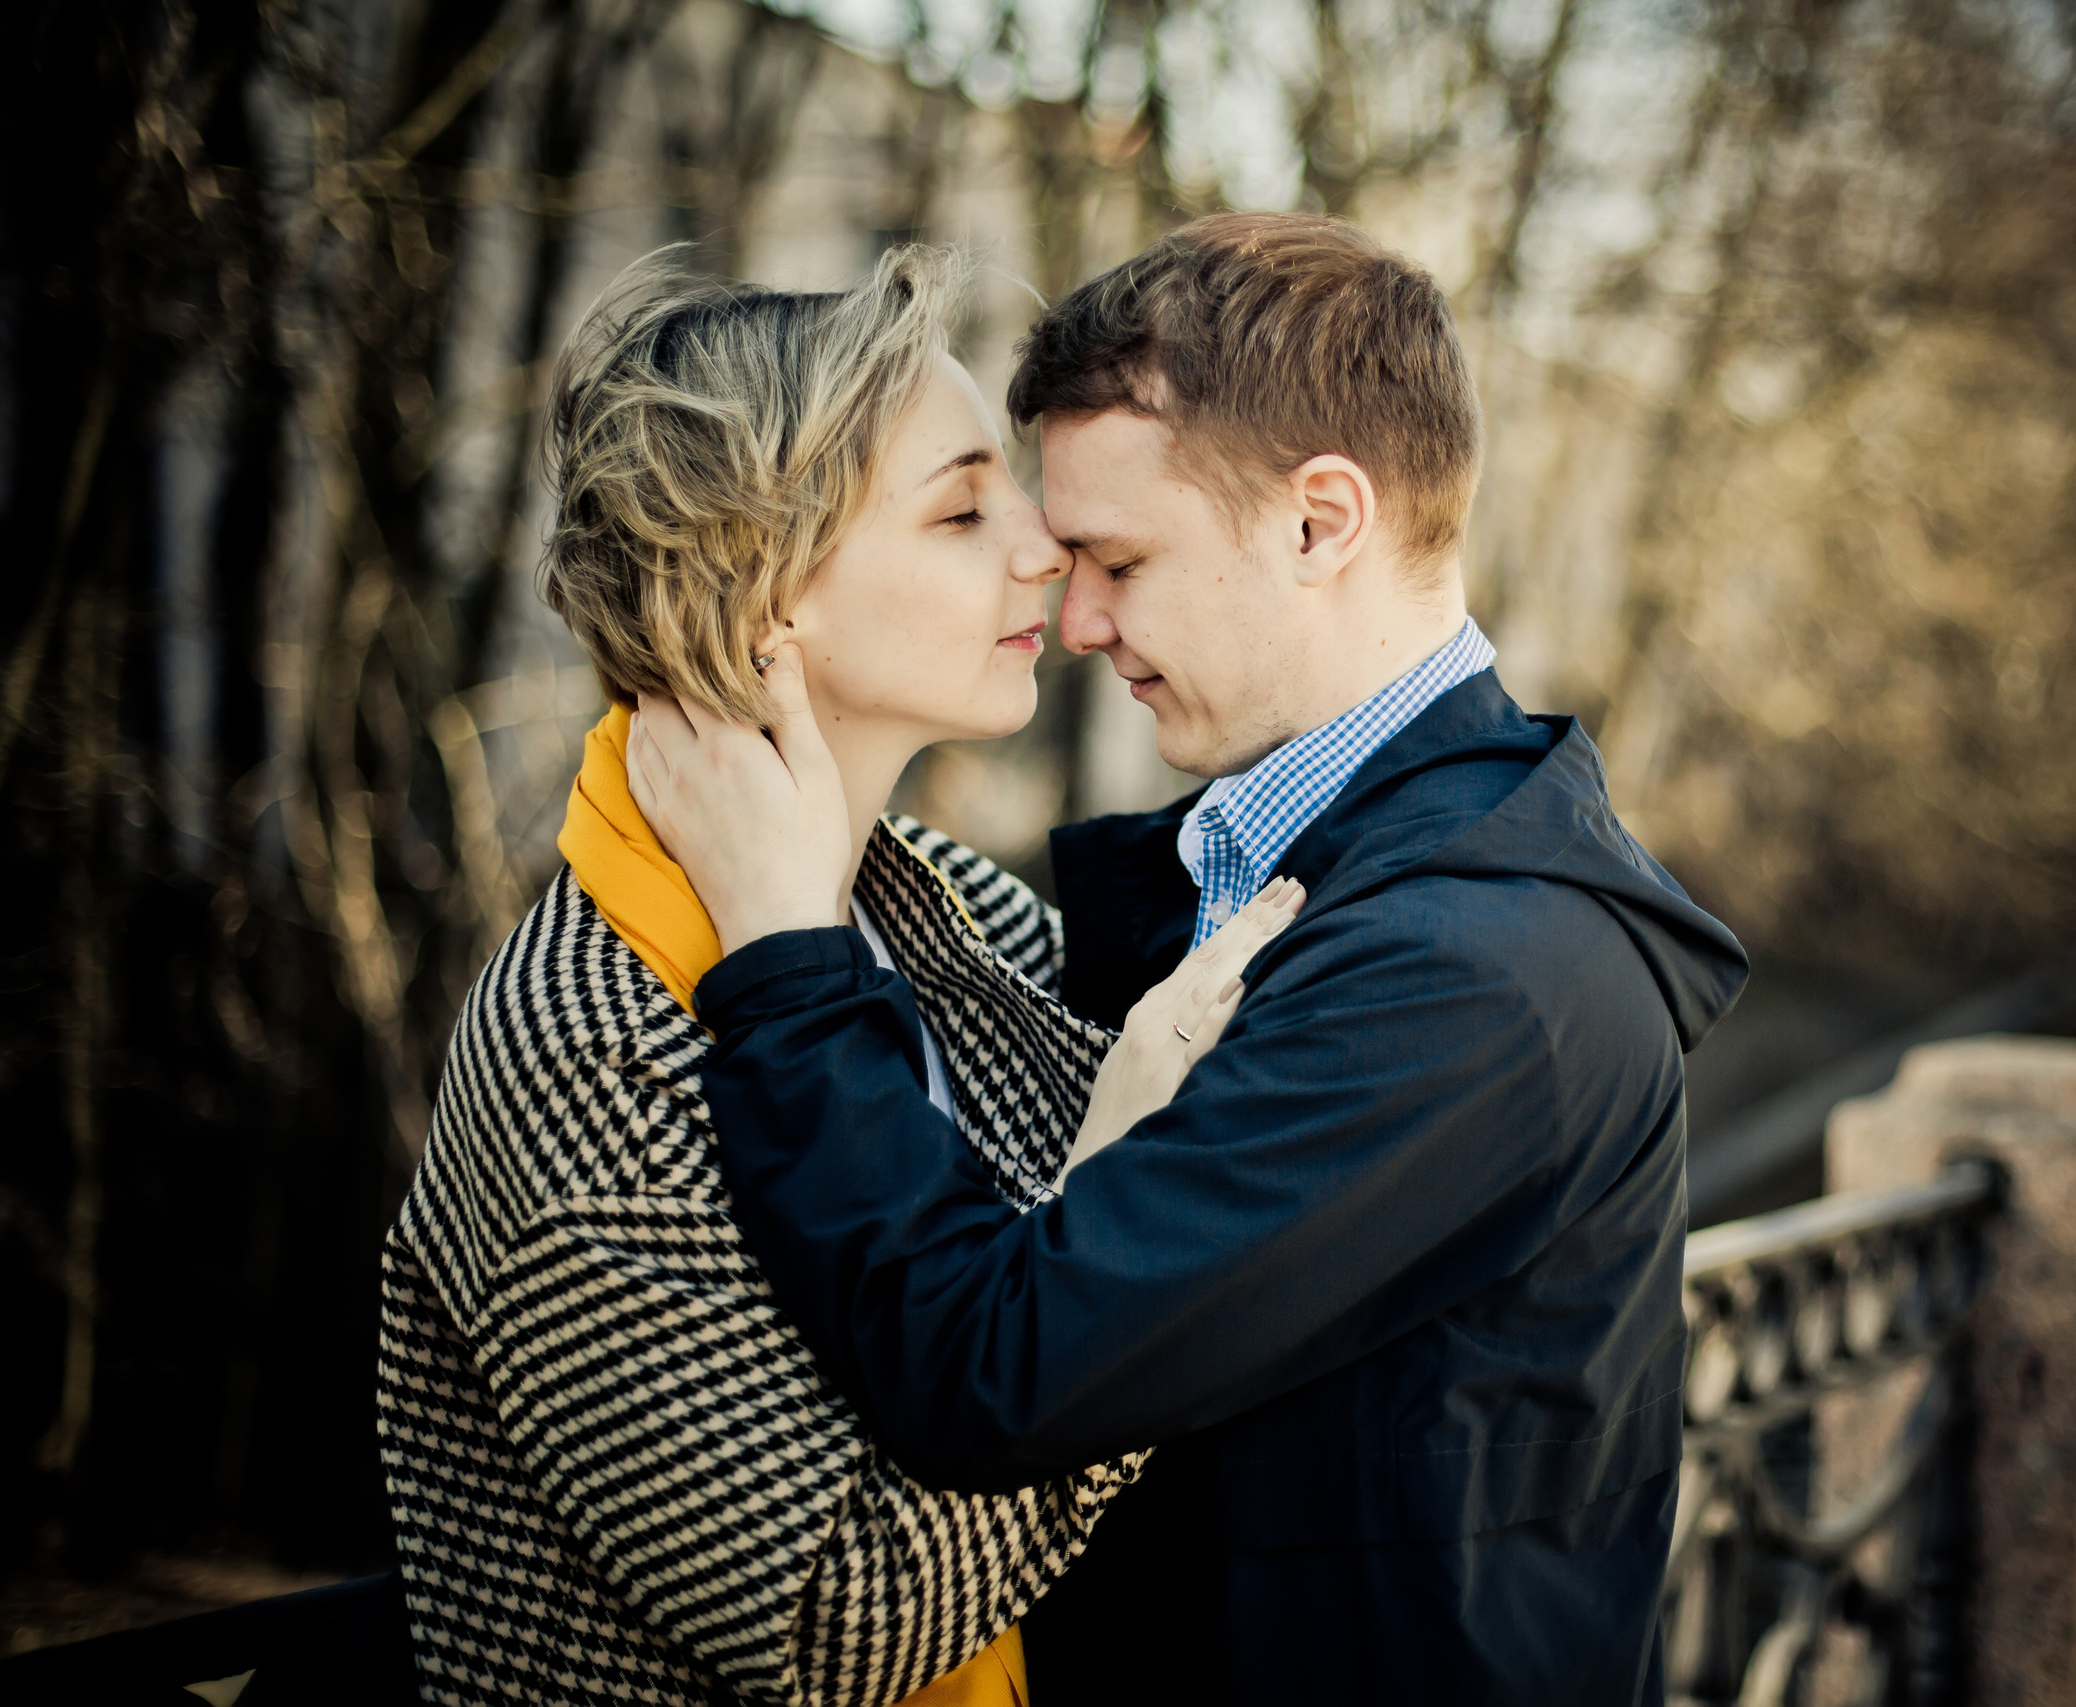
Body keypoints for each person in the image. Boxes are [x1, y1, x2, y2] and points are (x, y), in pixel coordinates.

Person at [633, 213, 1751, 1706]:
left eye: (1120, 558)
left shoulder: (1468, 971)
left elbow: (999, 1371)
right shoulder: (1282, 867)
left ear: (1319, 521)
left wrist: (779, 963)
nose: (1075, 616)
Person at [376, 246, 1301, 1707]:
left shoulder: (956, 917)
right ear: (763, 600)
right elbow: (831, 1620)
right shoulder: (583, 1045)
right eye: (959, 509)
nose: (1043, 545)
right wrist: (1117, 1254)